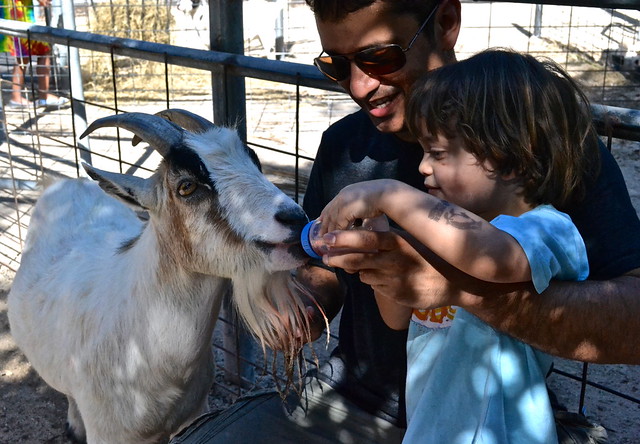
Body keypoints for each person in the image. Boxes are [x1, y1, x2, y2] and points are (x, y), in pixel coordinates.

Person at [170, 0, 640, 442]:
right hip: (362, 404)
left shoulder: (538, 147)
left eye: (378, 56)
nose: (358, 86)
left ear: (446, 22)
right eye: (335, 65)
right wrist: (297, 300)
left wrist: (452, 284)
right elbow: (335, 286)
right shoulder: (345, 146)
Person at [317, 48, 598, 443]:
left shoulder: (547, 228)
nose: (422, 167)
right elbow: (397, 318)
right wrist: (379, 241)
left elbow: (495, 260)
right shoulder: (445, 235)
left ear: (510, 157)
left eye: (439, 153)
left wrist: (391, 193)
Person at [0, 0, 69, 108]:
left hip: (17, 11)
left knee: (27, 55)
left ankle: (32, 96)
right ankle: (32, 96)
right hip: (17, 12)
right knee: (32, 54)